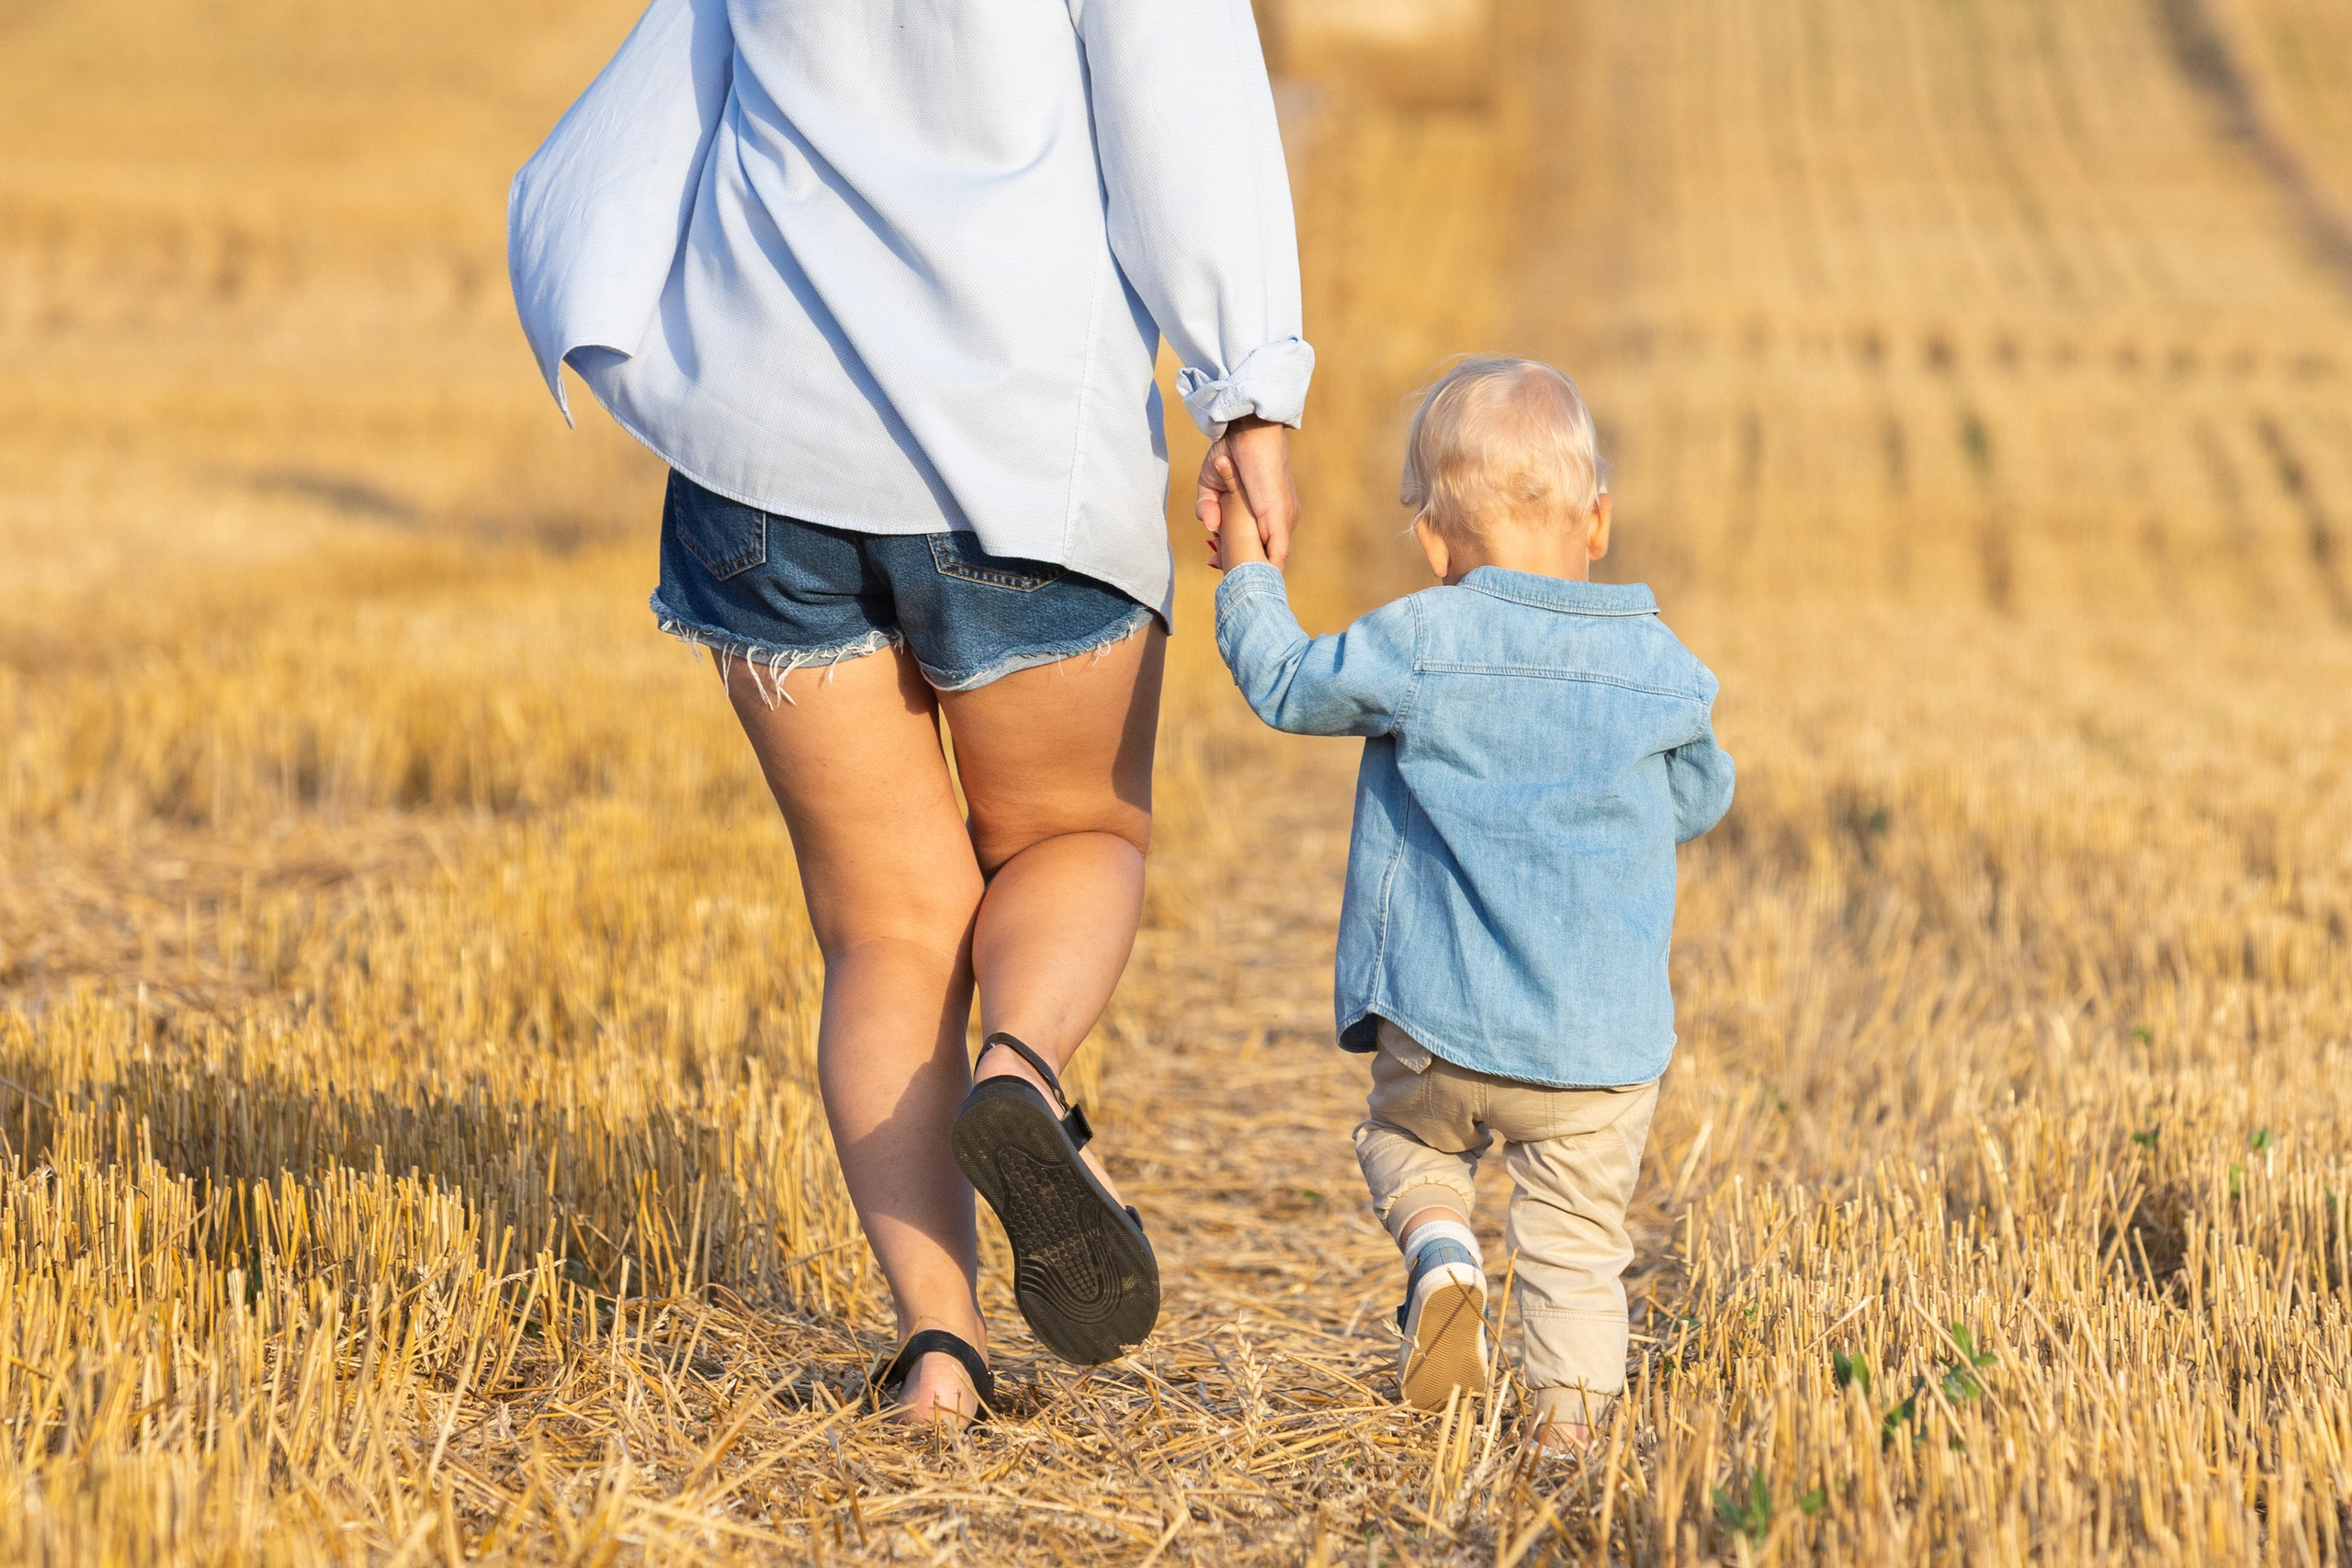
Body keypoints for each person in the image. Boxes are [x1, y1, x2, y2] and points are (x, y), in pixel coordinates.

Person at [507, 0, 1313, 1427]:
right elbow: (1179, 101)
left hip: (759, 470)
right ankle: (1021, 1067)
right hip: (1012, 455)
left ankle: (939, 1351)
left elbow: (657, 97)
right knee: (1074, 834)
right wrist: (1248, 392)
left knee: (884, 920)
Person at [1204, 356, 1734, 1449]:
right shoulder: (1660, 669)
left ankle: (1441, 1251)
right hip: (1593, 1050)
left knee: (1405, 1146)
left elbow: (1287, 685)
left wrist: (1246, 575)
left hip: (1440, 1028)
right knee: (1578, 1243)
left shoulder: (1425, 641)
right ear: (1596, 522)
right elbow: (1698, 796)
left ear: (1435, 543)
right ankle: (1566, 1437)